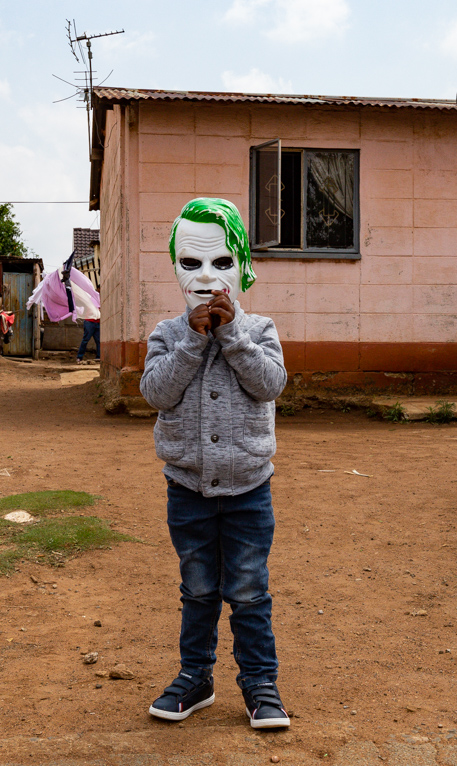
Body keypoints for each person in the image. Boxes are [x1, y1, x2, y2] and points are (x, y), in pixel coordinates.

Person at [139, 197, 290, 729]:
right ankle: (195, 678)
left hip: (250, 489)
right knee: (198, 588)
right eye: (192, 264)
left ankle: (260, 685)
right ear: (176, 267)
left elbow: (270, 384)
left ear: (243, 267)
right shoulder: (166, 333)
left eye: (222, 263)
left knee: (249, 591)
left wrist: (230, 336)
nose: (206, 277)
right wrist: (192, 343)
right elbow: (156, 394)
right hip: (188, 490)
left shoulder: (262, 329)